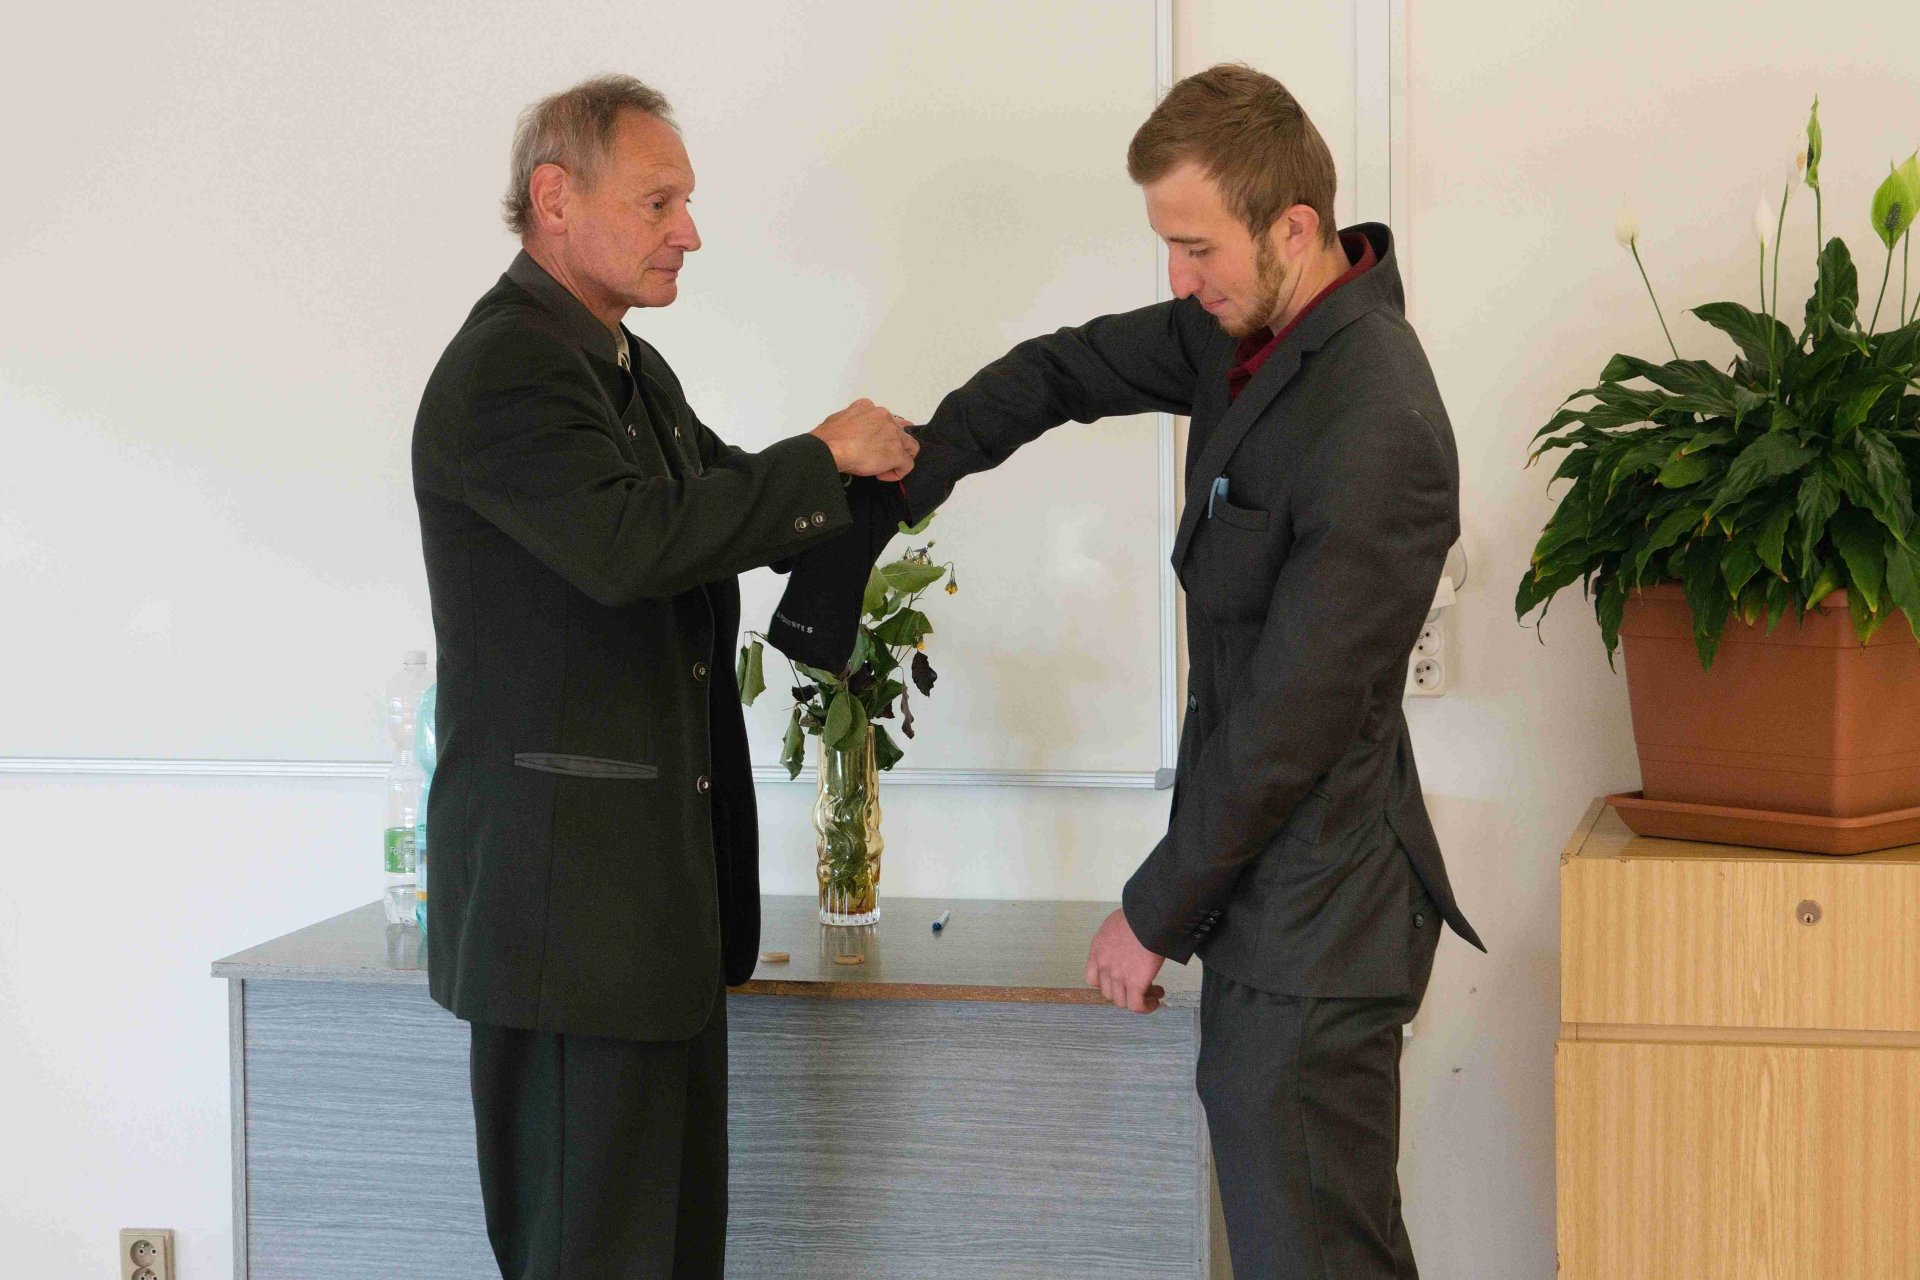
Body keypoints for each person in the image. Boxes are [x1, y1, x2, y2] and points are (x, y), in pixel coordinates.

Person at [792, 63, 1485, 1279]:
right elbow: (1060, 371)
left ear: (1295, 228)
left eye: (1196, 246)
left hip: (1323, 918)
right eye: (1168, 244)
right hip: (1278, 907)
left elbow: (1288, 721)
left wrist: (1152, 911)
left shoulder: (1378, 418)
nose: (1177, 278)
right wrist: (903, 486)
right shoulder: (1252, 337)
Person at [410, 74, 916, 1279]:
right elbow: (632, 544)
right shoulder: (510, 368)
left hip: (646, 932)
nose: (688, 230)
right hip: (572, 935)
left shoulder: (624, 366)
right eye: (659, 201)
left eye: (685, 201)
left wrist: (874, 472)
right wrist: (821, 456)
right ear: (555, 200)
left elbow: (723, 501)